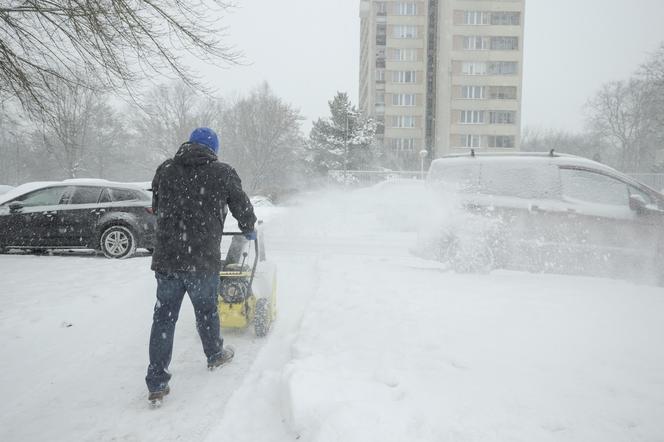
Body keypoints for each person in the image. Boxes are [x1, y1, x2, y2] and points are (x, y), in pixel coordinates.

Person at [145, 127, 257, 403]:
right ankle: (214, 354)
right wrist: (249, 228)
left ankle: (157, 381)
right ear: (213, 149)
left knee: (164, 318)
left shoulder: (166, 169)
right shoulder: (223, 172)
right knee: (206, 311)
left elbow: (157, 205)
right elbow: (241, 205)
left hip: (168, 259)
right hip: (201, 259)